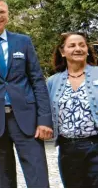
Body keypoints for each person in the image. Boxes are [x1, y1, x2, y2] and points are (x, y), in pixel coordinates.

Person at [0, 0, 53, 188]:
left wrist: (44, 120)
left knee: (39, 178)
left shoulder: (23, 42)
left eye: (2, 12)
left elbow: (37, 81)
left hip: (27, 121)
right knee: (4, 180)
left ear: (8, 15)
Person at [47, 32, 98, 188]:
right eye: (72, 45)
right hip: (67, 148)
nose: (78, 49)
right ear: (62, 52)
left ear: (88, 50)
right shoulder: (53, 81)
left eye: (82, 45)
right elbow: (45, 110)